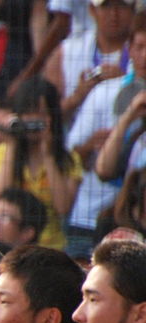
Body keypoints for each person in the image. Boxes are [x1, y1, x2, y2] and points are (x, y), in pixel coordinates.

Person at [66, 19, 146, 258]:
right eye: (140, 47)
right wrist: (130, 115)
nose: (145, 55)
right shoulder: (103, 92)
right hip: (94, 219)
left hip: (138, 222)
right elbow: (100, 167)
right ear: (129, 49)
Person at [0, 78, 81, 250]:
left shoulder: (69, 159)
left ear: (53, 117)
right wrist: (12, 145)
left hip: (51, 248)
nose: (33, 120)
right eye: (27, 114)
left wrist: (48, 155)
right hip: (8, 246)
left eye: (41, 114)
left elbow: (63, 208)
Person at [54, 0, 132, 119]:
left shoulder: (141, 50)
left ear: (133, 9)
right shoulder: (66, 52)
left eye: (121, 5)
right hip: (80, 136)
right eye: (106, 6)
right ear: (92, 10)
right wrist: (77, 96)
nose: (114, 14)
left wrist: (126, 83)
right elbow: (46, 118)